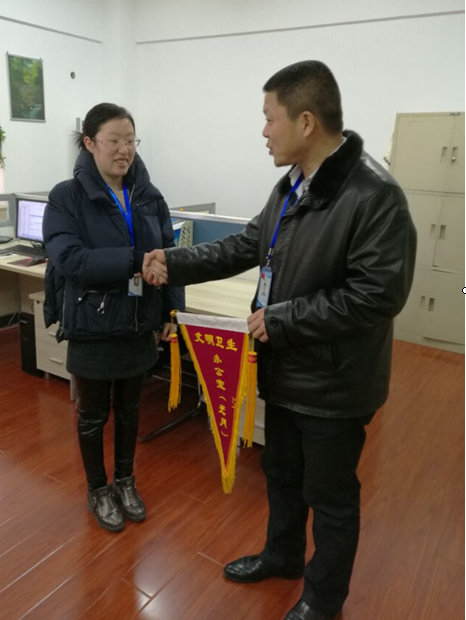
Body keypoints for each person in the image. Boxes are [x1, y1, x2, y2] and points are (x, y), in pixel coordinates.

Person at [143, 61, 416, 620]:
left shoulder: (375, 196)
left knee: (331, 497)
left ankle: (324, 599)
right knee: (282, 474)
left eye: (270, 118)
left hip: (334, 383)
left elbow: (377, 296)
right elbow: (246, 245)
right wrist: (173, 261)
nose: (264, 131)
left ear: (306, 121)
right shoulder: (293, 185)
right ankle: (283, 556)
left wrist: (285, 320)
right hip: (285, 368)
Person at [43, 103, 185, 533]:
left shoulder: (149, 196)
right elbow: (70, 259)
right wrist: (134, 261)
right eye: (114, 141)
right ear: (90, 143)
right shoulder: (66, 197)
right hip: (93, 323)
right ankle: (98, 488)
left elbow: (169, 255)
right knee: (92, 414)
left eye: (130, 141)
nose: (124, 150)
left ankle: (125, 481)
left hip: (139, 320)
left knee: (130, 409)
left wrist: (171, 309)